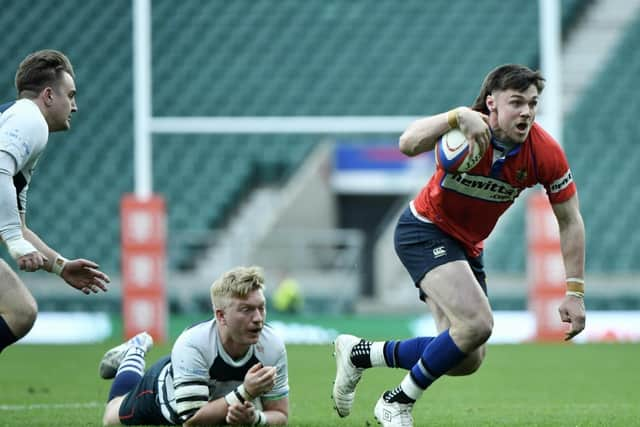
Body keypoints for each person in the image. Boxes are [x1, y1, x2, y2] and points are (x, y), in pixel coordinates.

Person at [332, 64, 586, 426]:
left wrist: (574, 291)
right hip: (424, 230)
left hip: (467, 247)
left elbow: (570, 219)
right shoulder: (465, 131)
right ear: (491, 104)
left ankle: (361, 354)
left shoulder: (544, 152)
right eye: (517, 102)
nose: (527, 111)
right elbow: (407, 144)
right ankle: (397, 401)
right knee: (478, 323)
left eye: (533, 103)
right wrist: (456, 116)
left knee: (466, 358)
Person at [0, 49, 110, 353]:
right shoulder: (30, 119)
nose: (74, 106)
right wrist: (13, 242)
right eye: (70, 95)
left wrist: (61, 267)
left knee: (21, 311)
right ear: (48, 95)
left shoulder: (20, 129)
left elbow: (17, 225)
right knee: (19, 311)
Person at [100, 266, 289, 426]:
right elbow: (192, 421)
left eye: (261, 307)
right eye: (246, 309)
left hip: (205, 384)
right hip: (163, 395)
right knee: (111, 416)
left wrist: (257, 419)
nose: (258, 319)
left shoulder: (271, 345)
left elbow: (280, 414)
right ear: (221, 316)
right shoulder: (194, 343)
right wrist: (246, 392)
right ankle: (134, 351)